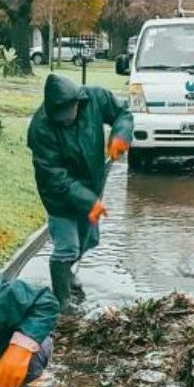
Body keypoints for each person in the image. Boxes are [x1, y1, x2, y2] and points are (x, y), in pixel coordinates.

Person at [27, 74, 134, 314]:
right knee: (67, 248)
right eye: (59, 118)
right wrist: (89, 201)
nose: (65, 120)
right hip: (59, 196)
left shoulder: (95, 98)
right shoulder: (41, 128)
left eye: (68, 114)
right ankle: (62, 303)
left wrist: (120, 135)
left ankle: (67, 275)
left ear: (77, 102)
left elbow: (123, 114)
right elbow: (54, 177)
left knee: (90, 240)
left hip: (91, 187)